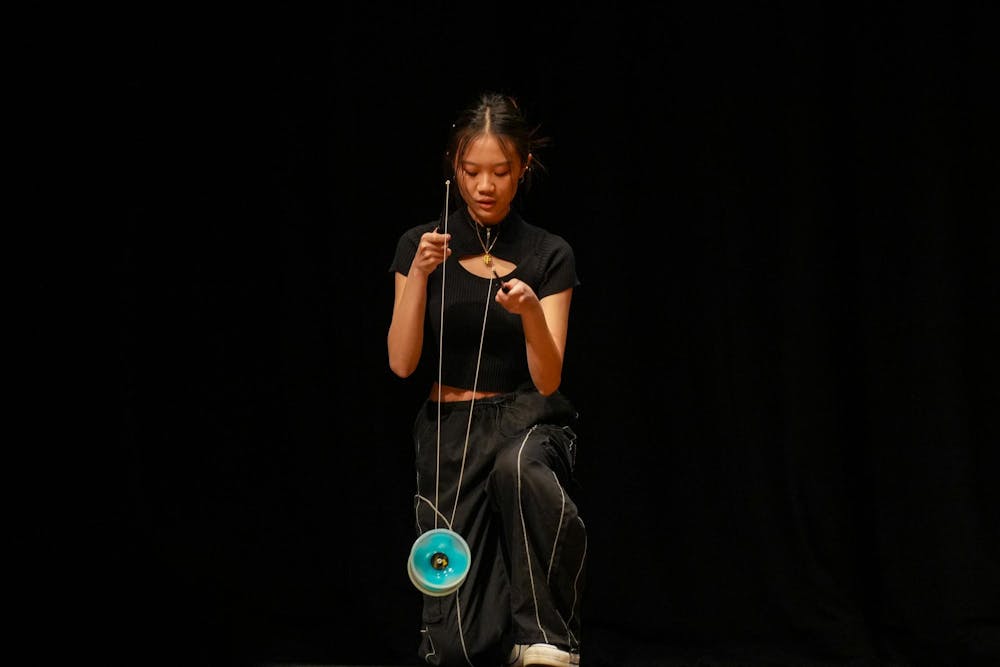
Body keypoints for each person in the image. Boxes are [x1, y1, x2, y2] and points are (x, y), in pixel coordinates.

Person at [387, 92, 586, 667]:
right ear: (454, 168)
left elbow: (548, 379)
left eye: (500, 171)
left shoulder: (549, 254)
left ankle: (546, 638)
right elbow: (401, 363)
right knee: (456, 648)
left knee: (518, 467)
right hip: (450, 431)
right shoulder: (420, 245)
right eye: (472, 171)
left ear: (523, 168)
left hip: (525, 421)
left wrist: (530, 314)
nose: (485, 185)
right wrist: (418, 275)